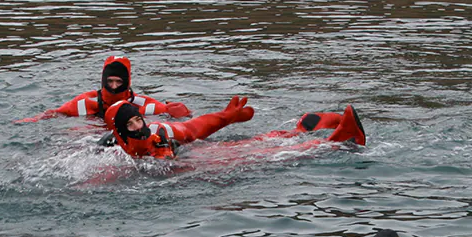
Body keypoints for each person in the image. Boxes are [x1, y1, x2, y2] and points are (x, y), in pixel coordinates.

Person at [103, 97, 366, 160]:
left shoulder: (161, 131)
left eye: (138, 119)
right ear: (121, 132)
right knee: (251, 156)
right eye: (131, 124)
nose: (139, 125)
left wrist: (226, 117)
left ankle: (335, 139)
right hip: (185, 171)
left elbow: (194, 128)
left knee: (249, 152)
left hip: (192, 160)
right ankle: (334, 140)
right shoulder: (113, 154)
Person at [16, 55, 191, 123]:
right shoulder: (86, 103)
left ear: (127, 82)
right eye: (110, 82)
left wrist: (181, 111)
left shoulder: (144, 105)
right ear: (103, 81)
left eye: (119, 82)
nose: (114, 87)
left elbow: (180, 116)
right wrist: (30, 120)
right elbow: (53, 113)